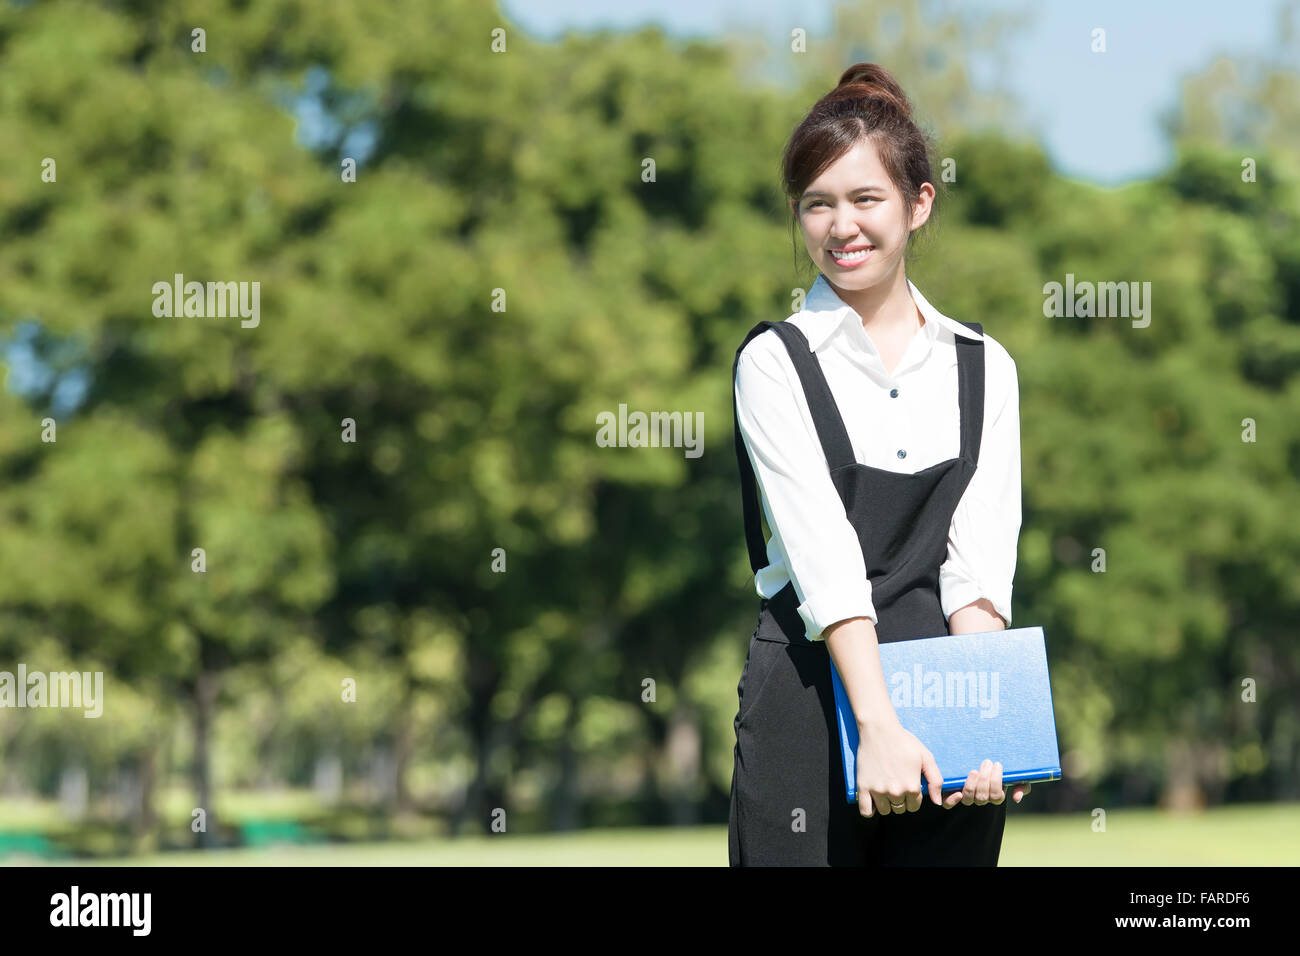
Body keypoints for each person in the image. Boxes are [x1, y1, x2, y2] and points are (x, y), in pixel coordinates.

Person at [727, 62, 1029, 867]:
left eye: (865, 200)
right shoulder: (774, 361)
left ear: (918, 203)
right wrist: (879, 729)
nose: (840, 227)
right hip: (808, 698)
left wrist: (989, 726)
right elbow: (824, 566)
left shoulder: (983, 364)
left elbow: (978, 568)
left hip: (944, 705)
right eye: (817, 204)